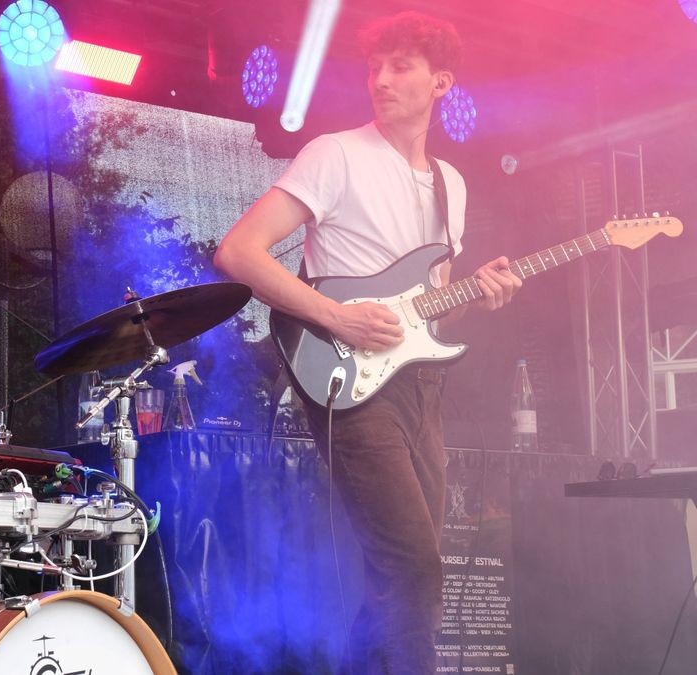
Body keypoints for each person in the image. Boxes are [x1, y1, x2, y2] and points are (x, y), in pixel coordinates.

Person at [214, 12, 522, 675]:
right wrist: (338, 315)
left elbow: (429, 317)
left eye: (400, 66)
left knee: (399, 571)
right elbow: (240, 251)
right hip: (344, 376)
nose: (381, 80)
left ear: (441, 83)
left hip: (419, 387)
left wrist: (479, 293)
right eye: (374, 67)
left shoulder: (451, 185)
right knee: (414, 560)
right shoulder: (336, 153)